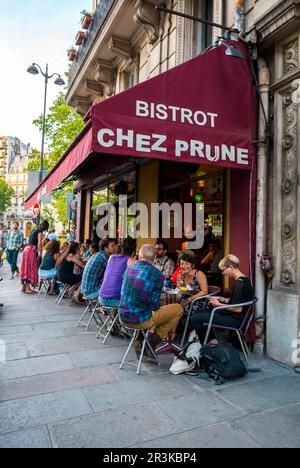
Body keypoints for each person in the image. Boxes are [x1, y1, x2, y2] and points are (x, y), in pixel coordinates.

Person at [119, 244, 183, 355]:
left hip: (122, 316)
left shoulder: (129, 269)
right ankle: (152, 342)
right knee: (178, 308)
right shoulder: (157, 274)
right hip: (140, 320)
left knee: (143, 307)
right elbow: (154, 305)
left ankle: (139, 340)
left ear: (139, 256)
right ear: (154, 259)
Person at [191, 254, 254, 345]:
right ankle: (211, 341)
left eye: (223, 270)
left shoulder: (240, 284)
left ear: (231, 267)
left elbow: (238, 309)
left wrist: (218, 305)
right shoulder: (243, 280)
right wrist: (221, 298)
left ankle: (211, 343)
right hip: (234, 316)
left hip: (235, 320)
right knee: (197, 313)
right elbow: (235, 301)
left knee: (195, 318)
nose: (222, 273)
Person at [99, 237, 136, 308]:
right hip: (115, 300)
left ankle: (113, 318)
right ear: (133, 250)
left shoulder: (111, 257)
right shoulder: (131, 260)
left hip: (101, 298)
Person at [20, 220, 49, 294]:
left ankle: (24, 287)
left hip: (26, 249)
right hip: (31, 250)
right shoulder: (39, 232)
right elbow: (39, 244)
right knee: (30, 269)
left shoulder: (34, 230)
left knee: (26, 268)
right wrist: (40, 253)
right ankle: (27, 288)